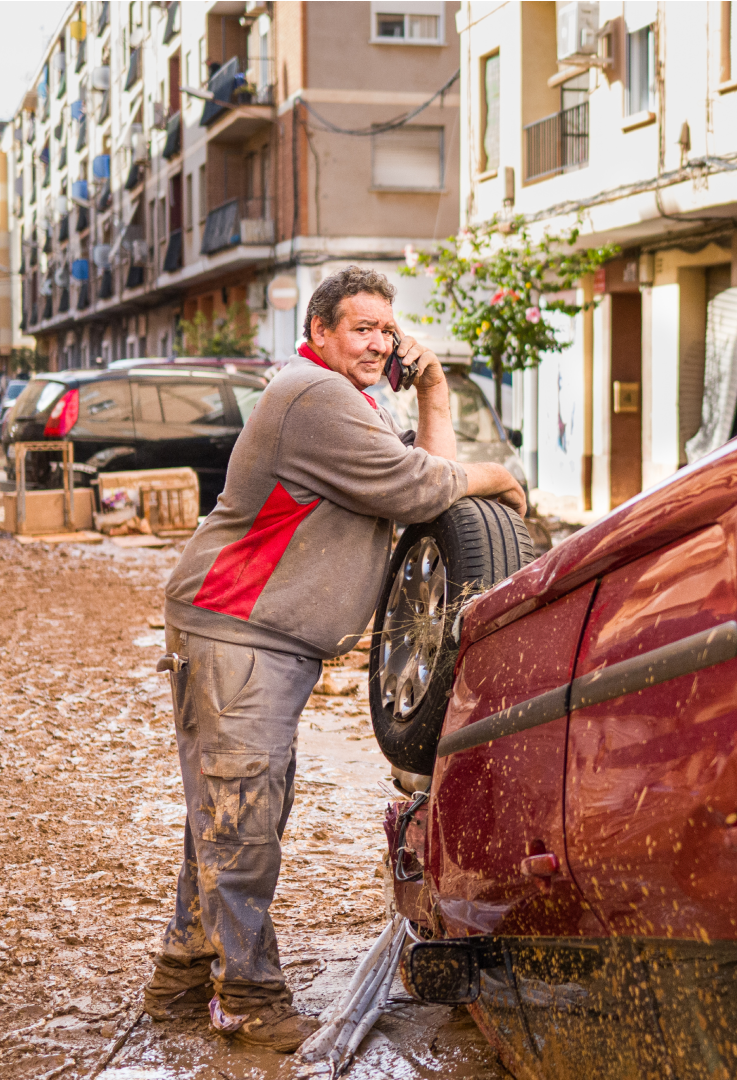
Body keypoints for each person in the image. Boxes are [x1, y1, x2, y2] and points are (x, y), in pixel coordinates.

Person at [143, 267, 526, 1052]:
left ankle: (181, 975)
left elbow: (430, 492)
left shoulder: (350, 402)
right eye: (361, 328)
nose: (379, 342)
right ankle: (247, 995)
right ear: (319, 332)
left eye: (387, 330)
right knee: (243, 819)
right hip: (238, 629)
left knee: (232, 811)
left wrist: (435, 392)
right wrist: (501, 478)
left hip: (258, 636)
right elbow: (423, 488)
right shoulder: (313, 397)